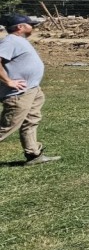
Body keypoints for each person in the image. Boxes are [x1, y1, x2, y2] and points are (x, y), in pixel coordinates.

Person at [0, 14, 60, 166]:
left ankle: (34, 155)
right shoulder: (10, 41)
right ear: (20, 27)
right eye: (30, 24)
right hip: (18, 94)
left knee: (31, 120)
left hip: (32, 89)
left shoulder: (19, 41)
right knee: (7, 127)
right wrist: (8, 81)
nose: (33, 27)